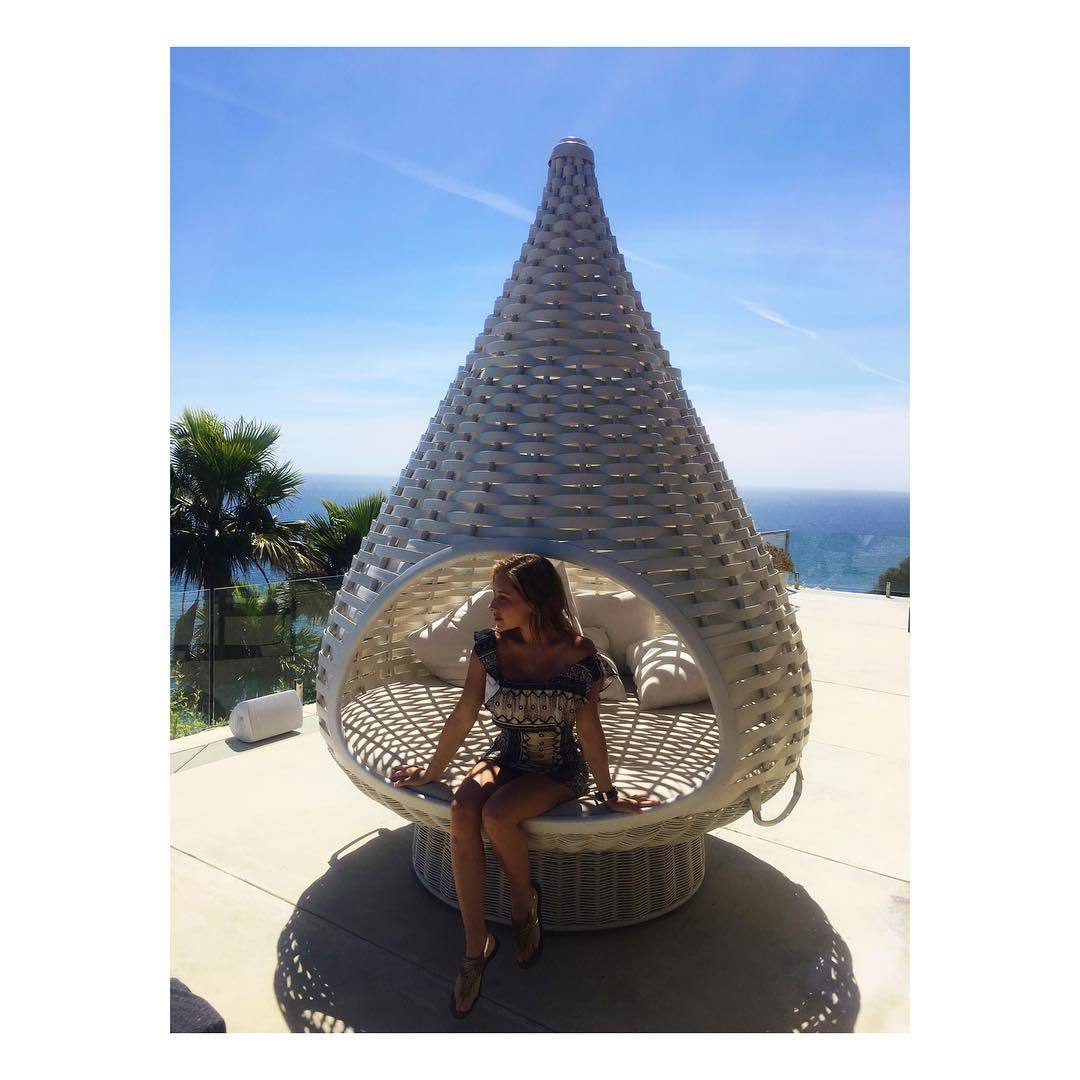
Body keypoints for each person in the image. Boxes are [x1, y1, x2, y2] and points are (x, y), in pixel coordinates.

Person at [388, 553, 659, 1019]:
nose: (492, 607)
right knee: (462, 808)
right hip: (506, 755)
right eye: (493, 596)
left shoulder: (580, 655)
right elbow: (465, 713)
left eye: (503, 598)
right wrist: (433, 770)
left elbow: (589, 730)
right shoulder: (489, 649)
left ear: (536, 600)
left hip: (557, 768)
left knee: (497, 815)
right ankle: (476, 946)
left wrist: (608, 793)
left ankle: (522, 902)